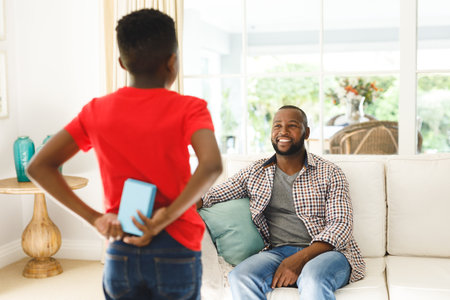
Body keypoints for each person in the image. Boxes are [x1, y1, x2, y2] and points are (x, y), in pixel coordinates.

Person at [27, 8, 222, 300]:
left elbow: (38, 166)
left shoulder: (96, 110)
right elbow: (211, 166)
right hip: (176, 246)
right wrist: (164, 216)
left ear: (121, 63)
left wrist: (95, 218)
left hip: (120, 246)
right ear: (172, 62)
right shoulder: (189, 108)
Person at [200, 105, 365, 300]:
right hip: (276, 253)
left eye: (292, 125)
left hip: (327, 254)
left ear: (306, 132)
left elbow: (341, 226)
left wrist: (298, 260)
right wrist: (176, 206)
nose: (283, 131)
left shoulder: (330, 172)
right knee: (241, 276)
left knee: (312, 279)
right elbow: (212, 195)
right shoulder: (256, 172)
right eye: (277, 125)